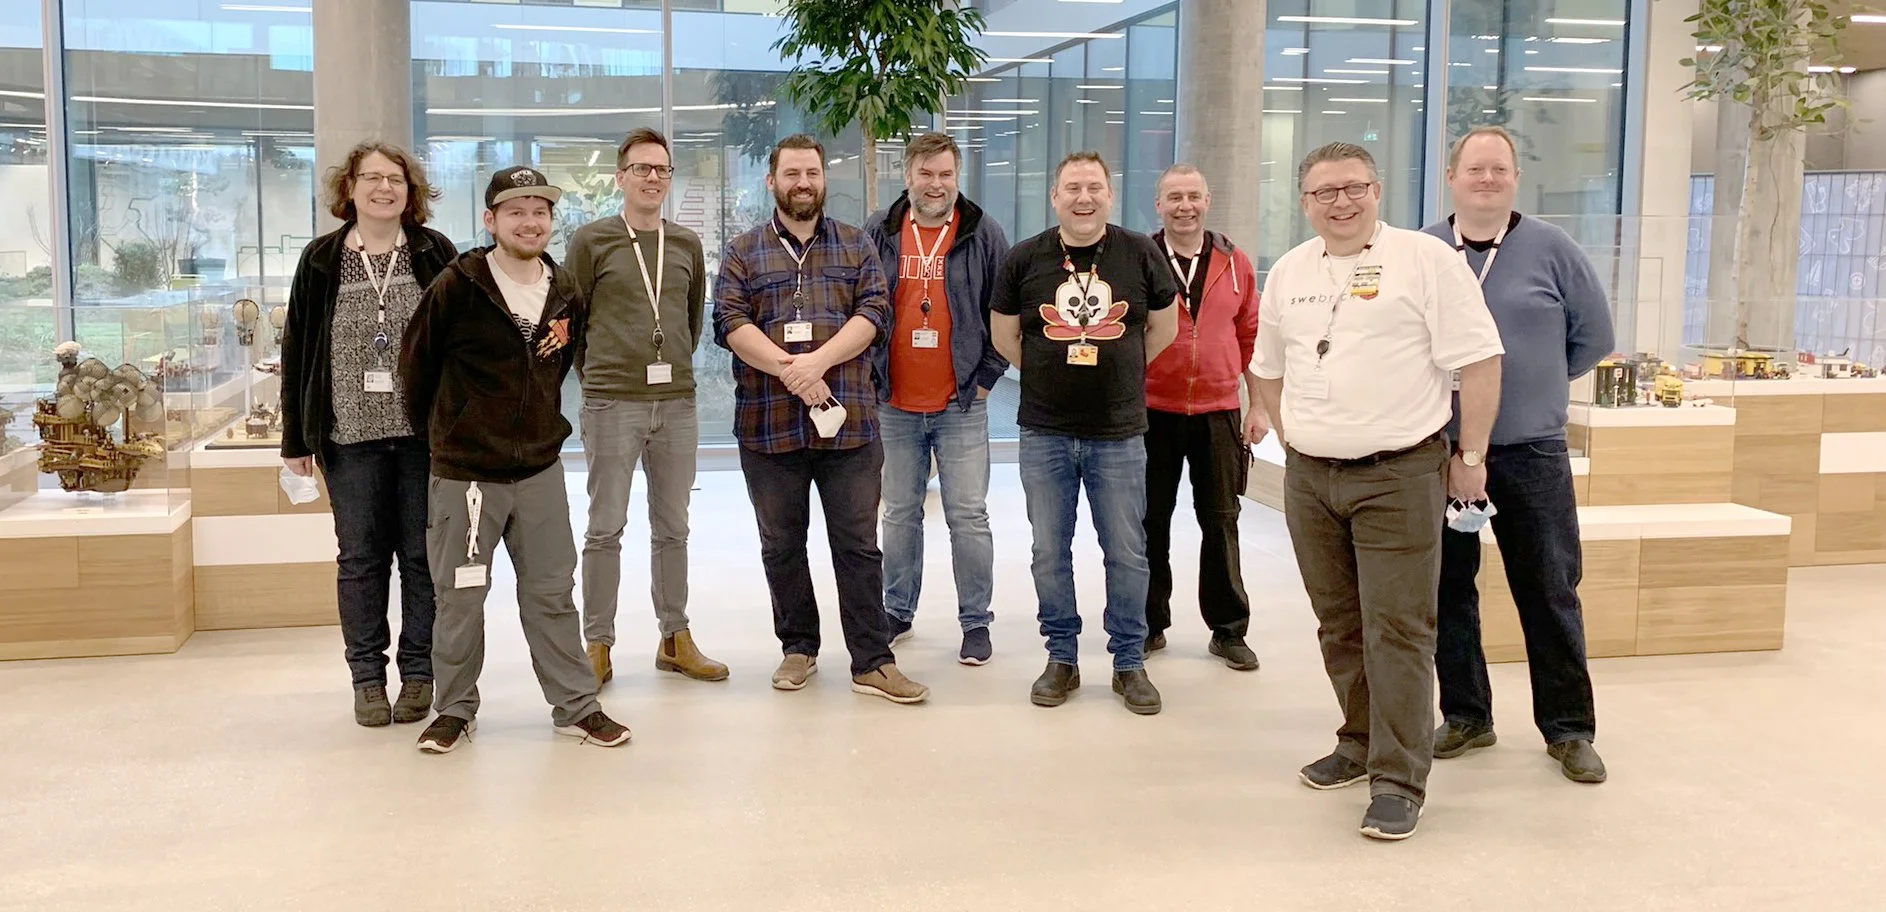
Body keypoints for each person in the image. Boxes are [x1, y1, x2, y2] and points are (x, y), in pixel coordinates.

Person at [1251, 142, 1504, 840]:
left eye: (1353, 187)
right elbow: (1266, 366)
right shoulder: (1291, 271)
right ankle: (1359, 742)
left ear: (1377, 190)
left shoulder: (1426, 261)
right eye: (1324, 192)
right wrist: (1292, 434)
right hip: (1312, 478)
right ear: (1305, 202)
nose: (1341, 202)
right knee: (1339, 623)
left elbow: (1481, 361)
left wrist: (1471, 457)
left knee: (1398, 628)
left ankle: (1398, 778)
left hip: (1400, 473)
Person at [399, 166, 631, 753]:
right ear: (491, 220)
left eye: (540, 212)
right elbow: (415, 368)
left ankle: (576, 705)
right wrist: (450, 439)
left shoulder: (565, 289)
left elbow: (560, 366)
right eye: (516, 211)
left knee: (552, 594)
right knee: (459, 598)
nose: (530, 222)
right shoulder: (458, 285)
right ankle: (454, 709)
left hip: (539, 472)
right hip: (466, 476)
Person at [1422, 126, 1614, 784]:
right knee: (1446, 589)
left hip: (1532, 451)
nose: (1487, 179)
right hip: (1441, 453)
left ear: (1515, 179)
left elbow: (1592, 339)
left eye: (1498, 169)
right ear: (1452, 177)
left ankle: (1569, 728)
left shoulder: (1553, 249)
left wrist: (1533, 386)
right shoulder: (1424, 251)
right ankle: (1466, 715)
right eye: (1475, 169)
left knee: (1550, 590)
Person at [713, 134, 929, 705]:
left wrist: (817, 363)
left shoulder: (857, 244)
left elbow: (875, 313)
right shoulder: (743, 251)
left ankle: (873, 661)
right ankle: (798, 648)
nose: (803, 183)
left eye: (812, 172)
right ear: (772, 181)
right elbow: (730, 323)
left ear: (824, 179)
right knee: (781, 543)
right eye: (792, 173)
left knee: (857, 545)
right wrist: (793, 372)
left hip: (849, 425)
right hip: (768, 427)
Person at [990, 151, 1180, 715]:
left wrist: (1123, 370)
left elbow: (1164, 327)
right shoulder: (1025, 258)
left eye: (1094, 187)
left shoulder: (1140, 252)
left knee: (1127, 551)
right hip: (1044, 431)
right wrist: (1047, 373)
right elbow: (1003, 335)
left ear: (1109, 195)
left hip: (1119, 432)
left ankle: (1129, 661)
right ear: (1055, 196)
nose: (1084, 197)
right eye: (1072, 187)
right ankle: (1062, 657)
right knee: (1049, 551)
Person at [280, 141, 456, 728]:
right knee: (360, 559)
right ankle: (367, 679)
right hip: (347, 438)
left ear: (411, 191)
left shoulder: (434, 251)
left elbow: (458, 344)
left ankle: (419, 673)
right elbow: (298, 349)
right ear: (349, 188)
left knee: (422, 560)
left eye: (396, 179)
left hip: (423, 438)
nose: (385, 188)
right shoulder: (322, 258)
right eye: (372, 178)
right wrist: (296, 440)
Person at [567, 128, 726, 686]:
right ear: (621, 177)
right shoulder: (592, 241)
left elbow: (690, 319)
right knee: (605, 528)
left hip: (676, 402)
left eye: (662, 169)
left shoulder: (685, 244)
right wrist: (601, 379)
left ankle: (675, 638)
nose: (653, 177)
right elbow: (573, 322)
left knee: (673, 527)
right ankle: (597, 644)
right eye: (641, 168)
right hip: (613, 402)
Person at [863, 132, 1010, 666]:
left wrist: (987, 377)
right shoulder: (879, 230)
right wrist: (870, 377)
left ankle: (976, 621)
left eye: (945, 174)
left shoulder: (982, 232)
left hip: (960, 403)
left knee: (968, 516)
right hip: (895, 403)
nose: (936, 184)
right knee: (900, 513)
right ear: (908, 176)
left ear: (957, 177)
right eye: (926, 173)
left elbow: (1005, 308)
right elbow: (860, 304)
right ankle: (897, 611)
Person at [1141, 163, 1265, 671]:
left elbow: (1251, 337)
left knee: (1221, 520)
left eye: (1193, 196)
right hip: (1152, 411)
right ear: (1159, 205)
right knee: (1149, 521)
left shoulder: (1235, 263)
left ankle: (1228, 629)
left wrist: (1258, 405)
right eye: (1174, 197)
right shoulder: (1141, 257)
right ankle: (1148, 623)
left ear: (1207, 201)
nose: (1184, 206)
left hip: (1218, 410)